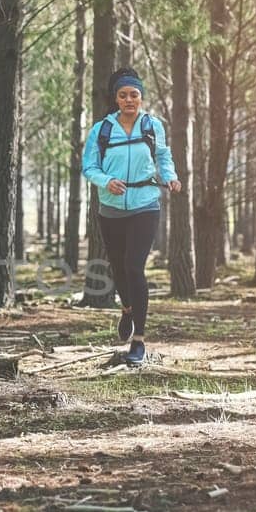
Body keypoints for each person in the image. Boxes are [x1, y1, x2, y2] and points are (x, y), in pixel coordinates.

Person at [81, 67, 181, 364]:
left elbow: (163, 156)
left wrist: (171, 177)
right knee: (118, 268)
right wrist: (105, 181)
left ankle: (139, 338)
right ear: (116, 99)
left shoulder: (153, 126)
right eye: (123, 95)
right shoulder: (101, 129)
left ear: (141, 97)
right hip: (111, 206)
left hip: (145, 203)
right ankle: (126, 308)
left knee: (134, 266)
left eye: (134, 95)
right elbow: (89, 167)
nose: (129, 100)